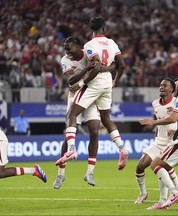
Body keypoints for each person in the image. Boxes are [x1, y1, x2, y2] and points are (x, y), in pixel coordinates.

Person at [57, 16, 129, 171]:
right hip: (107, 84)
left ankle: (71, 149)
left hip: (94, 84)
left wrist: (81, 83)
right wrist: (115, 81)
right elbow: (121, 65)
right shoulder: (112, 43)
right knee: (106, 118)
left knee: (72, 114)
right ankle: (122, 148)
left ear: (92, 29)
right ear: (104, 28)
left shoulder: (90, 45)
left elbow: (95, 65)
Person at [139, 72, 178, 209]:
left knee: (155, 164)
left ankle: (175, 192)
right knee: (161, 164)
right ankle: (164, 200)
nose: (177, 81)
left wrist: (153, 122)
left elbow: (173, 118)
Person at [53, 36, 102, 188]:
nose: (67, 52)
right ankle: (61, 174)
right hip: (74, 96)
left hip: (91, 95)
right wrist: (87, 68)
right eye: (65, 49)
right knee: (68, 138)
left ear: (78, 46)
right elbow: (71, 81)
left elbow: (98, 69)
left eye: (69, 48)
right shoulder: (65, 60)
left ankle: (90, 172)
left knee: (94, 132)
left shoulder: (89, 53)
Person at [135, 78, 178, 207]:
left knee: (160, 166)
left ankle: (170, 194)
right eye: (160, 85)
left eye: (164, 85)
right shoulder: (155, 103)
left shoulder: (177, 102)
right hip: (158, 142)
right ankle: (143, 193)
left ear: (171, 89)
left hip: (172, 142)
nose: (161, 87)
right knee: (140, 166)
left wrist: (176, 130)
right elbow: (160, 122)